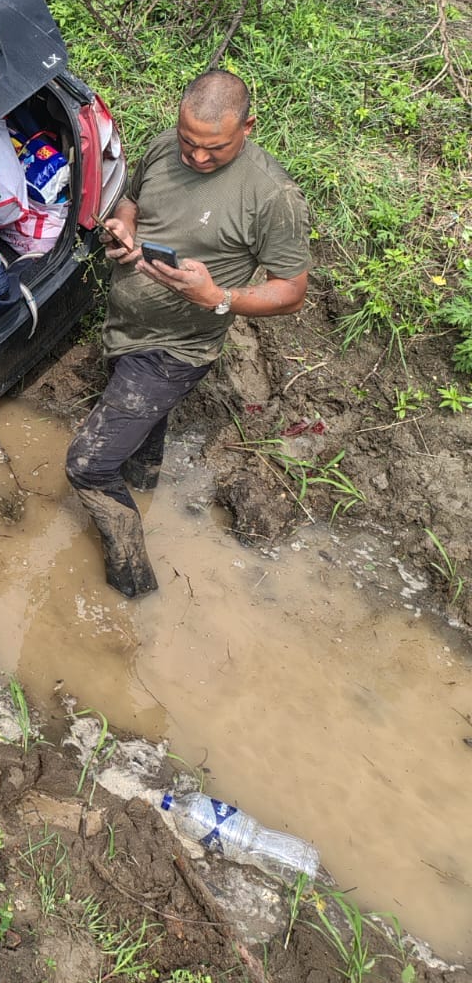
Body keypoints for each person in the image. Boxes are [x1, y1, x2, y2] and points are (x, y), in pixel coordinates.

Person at [65, 71, 310, 599]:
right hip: (127, 327)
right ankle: (147, 484)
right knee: (138, 439)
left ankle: (132, 587)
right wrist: (126, 230)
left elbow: (291, 291)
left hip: (176, 350)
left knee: (87, 466)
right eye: (189, 143)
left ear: (248, 127)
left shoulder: (271, 196)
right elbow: (130, 202)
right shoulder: (162, 147)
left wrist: (217, 296)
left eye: (213, 149)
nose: (197, 158)